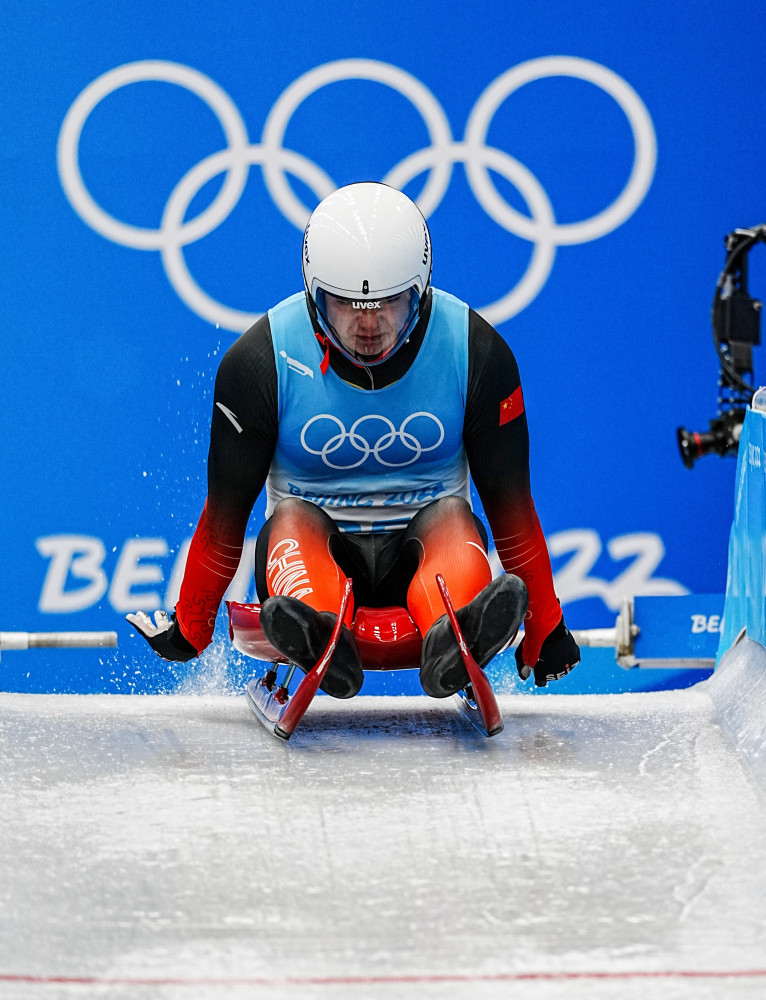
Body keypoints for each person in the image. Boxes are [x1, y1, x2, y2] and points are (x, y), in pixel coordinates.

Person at [128, 181, 580, 698]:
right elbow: (225, 517)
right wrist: (192, 623)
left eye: (391, 302)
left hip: (428, 555)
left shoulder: (476, 351)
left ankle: (451, 642)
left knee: (454, 517)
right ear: (313, 294)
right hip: (313, 555)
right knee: (291, 517)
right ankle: (322, 638)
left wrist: (545, 625)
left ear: (422, 289)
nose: (370, 324)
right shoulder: (259, 362)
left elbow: (512, 510)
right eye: (345, 304)